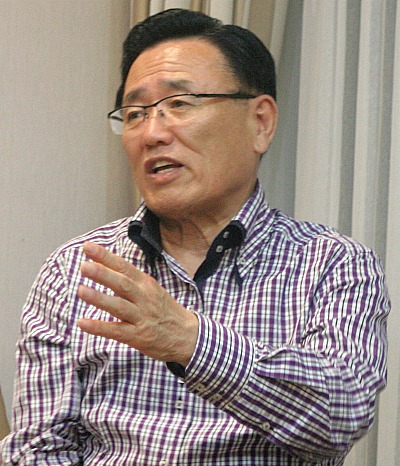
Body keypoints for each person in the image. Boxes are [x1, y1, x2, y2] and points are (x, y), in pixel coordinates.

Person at [0, 8, 390, 466]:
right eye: (135, 113)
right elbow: (39, 450)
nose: (152, 133)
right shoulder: (76, 270)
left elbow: (341, 415)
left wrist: (190, 342)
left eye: (180, 104)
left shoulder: (333, 263)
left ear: (260, 123)